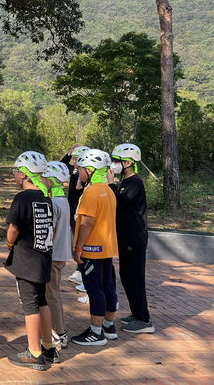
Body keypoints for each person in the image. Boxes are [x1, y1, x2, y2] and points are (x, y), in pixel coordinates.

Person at [5, 151, 57, 371]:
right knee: (42, 301)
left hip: (26, 262)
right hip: (43, 258)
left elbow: (13, 229)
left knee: (30, 305)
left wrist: (9, 245)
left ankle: (34, 353)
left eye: (16, 171)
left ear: (24, 174)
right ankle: (48, 347)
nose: (15, 175)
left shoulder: (22, 198)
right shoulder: (46, 198)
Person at [71, 149, 119, 347]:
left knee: (95, 289)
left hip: (92, 248)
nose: (79, 172)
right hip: (107, 247)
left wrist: (78, 248)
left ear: (90, 170)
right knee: (108, 285)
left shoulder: (91, 192)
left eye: (81, 169)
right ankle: (108, 325)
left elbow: (87, 223)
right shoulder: (108, 190)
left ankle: (96, 332)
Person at [108, 143, 154, 334]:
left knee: (135, 277)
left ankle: (144, 320)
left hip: (134, 239)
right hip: (126, 238)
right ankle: (136, 313)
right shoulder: (125, 182)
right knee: (126, 276)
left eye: (117, 161)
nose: (114, 164)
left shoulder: (135, 183)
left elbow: (120, 202)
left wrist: (110, 184)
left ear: (128, 162)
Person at [43, 161, 73, 350]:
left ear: (53, 181)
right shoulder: (63, 200)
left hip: (54, 255)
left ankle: (60, 333)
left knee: (51, 294)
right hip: (61, 253)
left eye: (46, 177)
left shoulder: (54, 203)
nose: (43, 180)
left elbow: (50, 231)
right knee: (52, 292)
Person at [61, 145, 89, 285]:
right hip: (71, 211)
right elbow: (61, 165)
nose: (74, 162)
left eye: (76, 159)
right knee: (75, 241)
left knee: (80, 242)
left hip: (80, 213)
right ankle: (80, 269)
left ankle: (82, 270)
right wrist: (69, 153)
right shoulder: (74, 171)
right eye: (73, 158)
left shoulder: (85, 174)